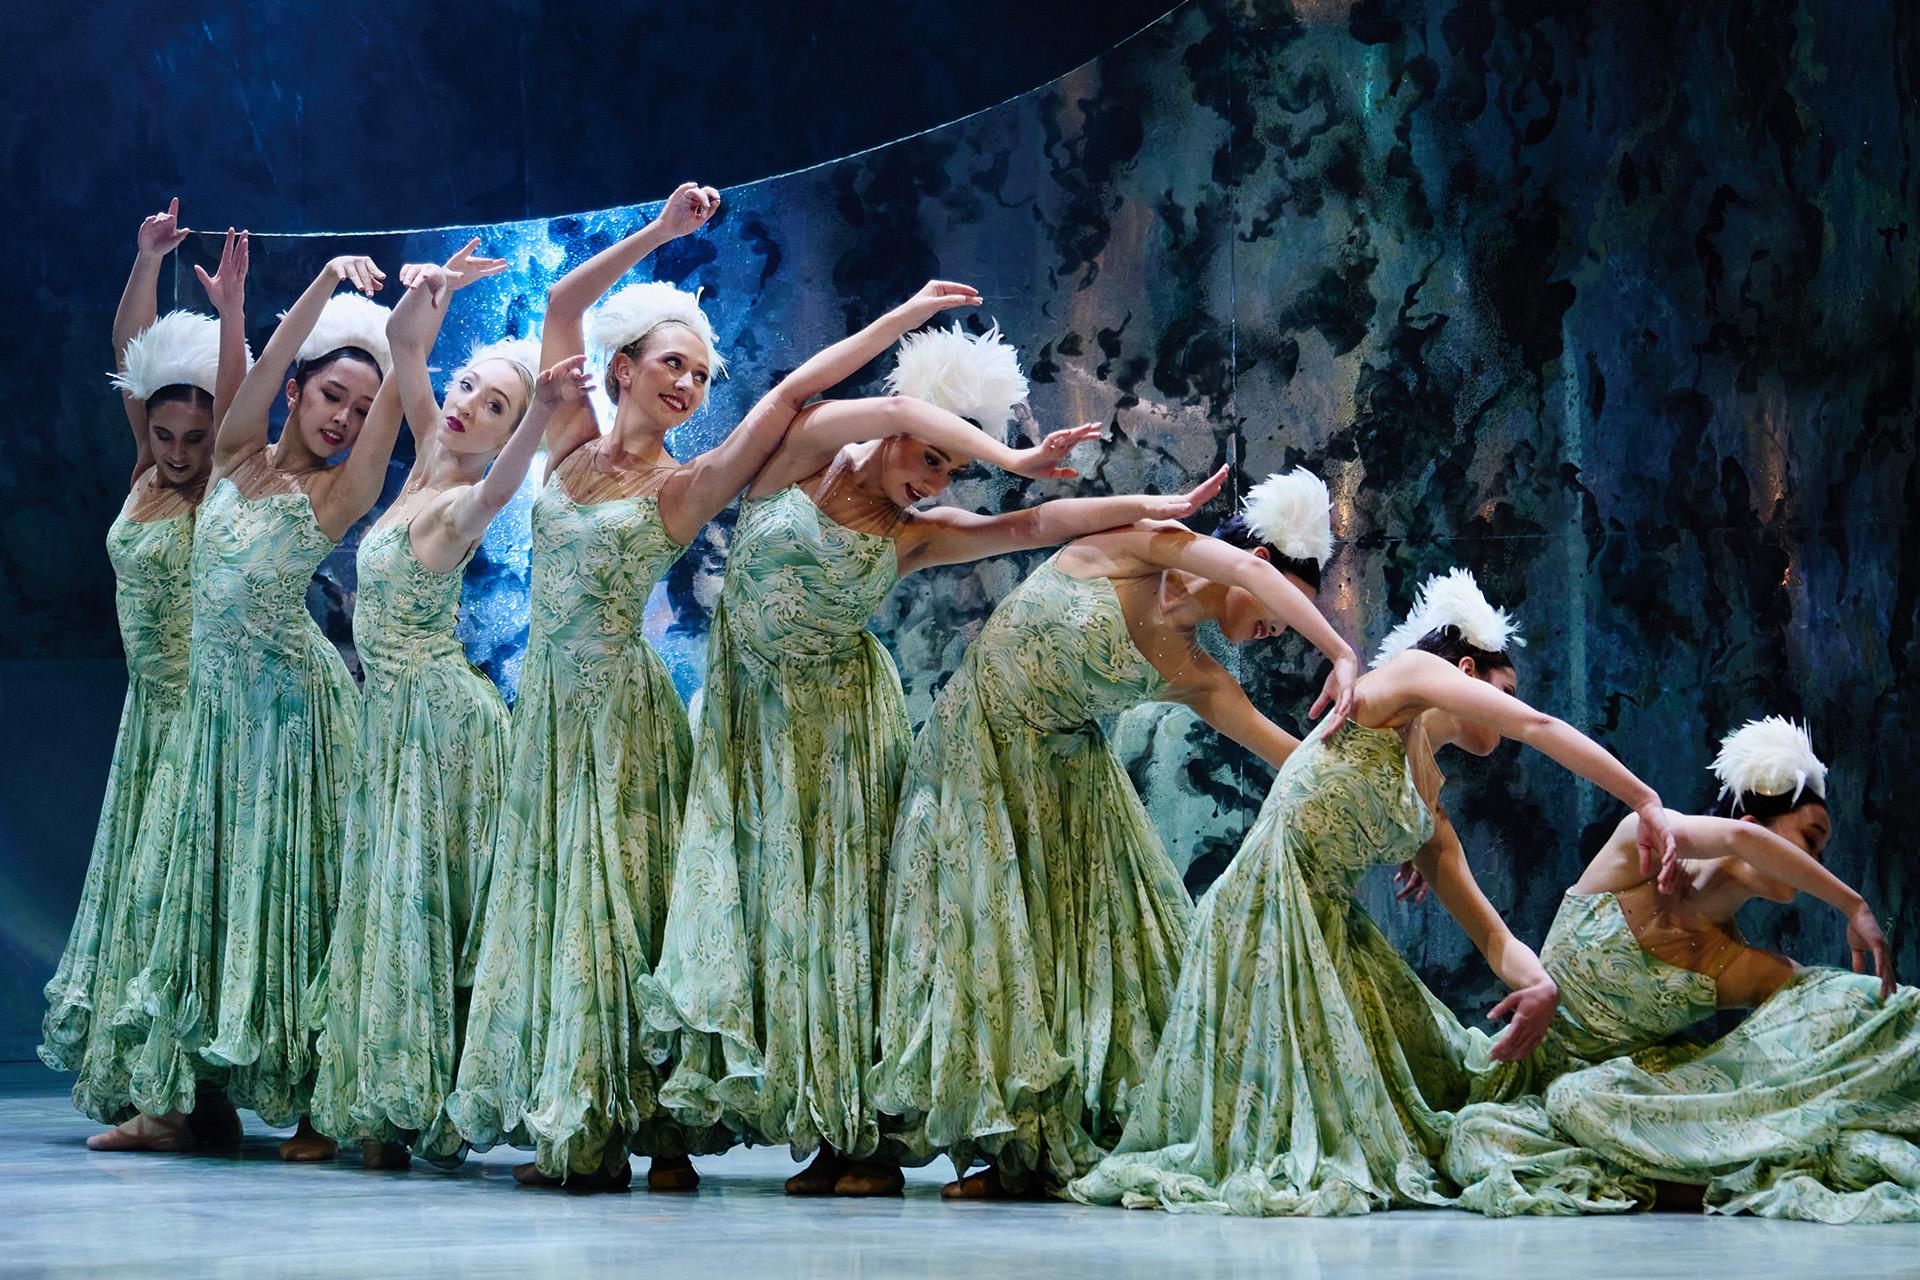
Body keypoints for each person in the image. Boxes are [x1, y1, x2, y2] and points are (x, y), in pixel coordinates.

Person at [644, 319, 1249, 1197]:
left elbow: (1032, 525)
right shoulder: (801, 458)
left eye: (949, 471)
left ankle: (860, 1143)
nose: (931, 482)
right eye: (929, 458)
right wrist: (1007, 448)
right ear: (903, 426)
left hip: (840, 737)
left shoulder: (913, 534)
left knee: (840, 929)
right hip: (750, 726)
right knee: (764, 921)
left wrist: (1146, 511)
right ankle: (814, 1121)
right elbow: (882, 405)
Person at [1068, 568, 1679, 1215]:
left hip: (1324, 927)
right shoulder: (1403, 679)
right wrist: (1644, 800)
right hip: (1264, 912)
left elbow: (1492, 935)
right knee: (1314, 1146)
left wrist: (1540, 986)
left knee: (1446, 1076)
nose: (1508, 710)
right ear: (1465, 669)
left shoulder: (1427, 803)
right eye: (1505, 688)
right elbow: (1537, 725)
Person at [870, 469, 1361, 1197]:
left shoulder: (1200, 675)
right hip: (970, 756)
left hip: (1063, 789)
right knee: (965, 946)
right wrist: (1342, 653)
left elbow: (1292, 759)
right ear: (1258, 564)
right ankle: (920, 1147)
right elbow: (1241, 569)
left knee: (1053, 968)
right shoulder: (1144, 546)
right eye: (1288, 608)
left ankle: (1027, 1156)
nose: (1278, 630)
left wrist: (1393, 816)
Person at [1444, 717, 1911, 1224]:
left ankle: (1688, 1180)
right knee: (1478, 1136)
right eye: (1811, 839)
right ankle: (1693, 1179)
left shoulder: (1745, 967)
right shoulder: (1638, 846)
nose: (1818, 861)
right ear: (1756, 827)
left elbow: (1841, 1004)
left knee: (1577, 1097)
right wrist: (1853, 906)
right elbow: (1735, 838)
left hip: (1620, 1098)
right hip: (1532, 1089)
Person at [44, 204, 247, 1149]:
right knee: (151, 898)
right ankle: (191, 1100)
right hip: (148, 717)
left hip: (204, 720)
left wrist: (232, 317)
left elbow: (234, 401)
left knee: (176, 902)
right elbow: (132, 352)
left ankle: (171, 1102)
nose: (175, 450)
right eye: (164, 433)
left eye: (191, 438)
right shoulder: (144, 472)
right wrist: (145, 260)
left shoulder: (226, 484)